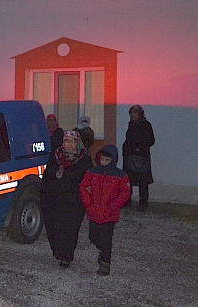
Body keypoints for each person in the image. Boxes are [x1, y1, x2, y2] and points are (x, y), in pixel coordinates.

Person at [41, 130, 93, 268]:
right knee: (54, 227)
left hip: (74, 202)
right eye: (67, 141)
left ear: (78, 144)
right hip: (54, 199)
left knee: (69, 229)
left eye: (73, 142)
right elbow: (47, 176)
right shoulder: (56, 156)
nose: (69, 145)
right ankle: (58, 252)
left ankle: (66, 256)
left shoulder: (84, 160)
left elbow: (87, 182)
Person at [80, 145, 131, 276]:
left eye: (107, 160)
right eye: (102, 159)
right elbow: (84, 188)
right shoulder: (92, 172)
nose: (103, 162)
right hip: (94, 211)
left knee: (106, 240)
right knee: (93, 236)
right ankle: (101, 252)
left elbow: (124, 194)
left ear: (113, 160)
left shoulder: (120, 175)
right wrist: (88, 205)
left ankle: (105, 264)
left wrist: (112, 207)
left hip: (109, 214)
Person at [122, 105, 155, 211]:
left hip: (141, 157)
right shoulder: (131, 125)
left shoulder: (145, 125)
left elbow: (151, 140)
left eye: (135, 112)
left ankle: (143, 203)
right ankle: (127, 200)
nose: (132, 114)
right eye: (131, 112)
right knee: (129, 180)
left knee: (142, 181)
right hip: (129, 156)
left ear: (140, 113)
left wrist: (139, 148)